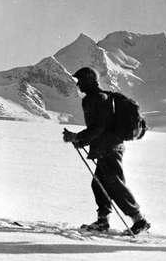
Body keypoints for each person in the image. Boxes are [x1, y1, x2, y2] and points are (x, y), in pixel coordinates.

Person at [62, 66, 150, 235]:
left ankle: (139, 220)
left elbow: (100, 127)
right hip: (106, 147)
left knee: (114, 184)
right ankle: (103, 221)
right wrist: (81, 140)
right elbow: (100, 128)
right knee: (99, 184)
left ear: (88, 80)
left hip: (109, 148)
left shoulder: (98, 99)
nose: (78, 84)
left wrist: (78, 137)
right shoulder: (98, 98)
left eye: (80, 80)